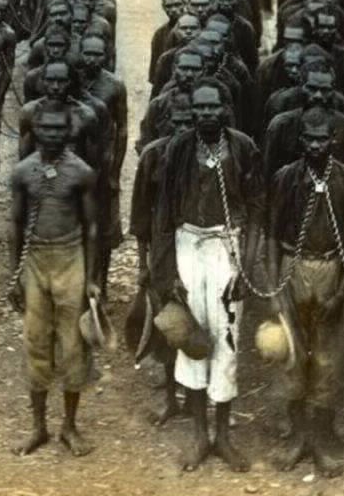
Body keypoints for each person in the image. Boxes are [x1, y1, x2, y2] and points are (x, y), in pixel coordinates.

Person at [155, 79, 264, 472]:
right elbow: (164, 216)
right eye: (198, 108)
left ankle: (224, 437)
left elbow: (254, 211)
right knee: (192, 337)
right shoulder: (179, 149)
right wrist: (167, 274)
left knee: (227, 340)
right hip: (188, 247)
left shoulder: (243, 148)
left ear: (225, 109)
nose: (204, 115)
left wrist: (244, 269)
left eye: (211, 108)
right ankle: (199, 436)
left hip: (226, 249)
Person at [267, 106, 344, 477]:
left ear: (334, 140)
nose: (315, 145)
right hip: (295, 266)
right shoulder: (285, 178)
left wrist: (342, 289)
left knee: (328, 359)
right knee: (293, 355)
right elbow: (274, 237)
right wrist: (276, 288)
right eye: (309, 139)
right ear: (300, 141)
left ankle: (321, 441)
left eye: (322, 138)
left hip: (331, 268)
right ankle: (299, 438)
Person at [8, 104, 100, 457]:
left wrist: (92, 277)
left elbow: (91, 227)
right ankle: (38, 427)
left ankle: (70, 427)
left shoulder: (81, 173)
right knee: (36, 341)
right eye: (45, 128)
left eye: (59, 129)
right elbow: (15, 225)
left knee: (74, 343)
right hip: (34, 260)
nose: (52, 135)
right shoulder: (22, 172)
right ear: (34, 131)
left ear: (68, 131)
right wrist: (14, 274)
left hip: (70, 258)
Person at [129, 91, 194, 424]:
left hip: (197, 245)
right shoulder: (153, 156)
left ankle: (196, 394)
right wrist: (143, 263)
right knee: (168, 319)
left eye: (188, 122)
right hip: (163, 247)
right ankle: (170, 396)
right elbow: (141, 215)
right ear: (166, 124)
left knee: (199, 318)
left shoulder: (202, 154)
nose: (182, 128)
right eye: (176, 122)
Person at [79, 34, 128, 295]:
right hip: (77, 163)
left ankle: (103, 281)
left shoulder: (114, 86)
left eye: (97, 54)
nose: (91, 59)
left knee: (103, 226)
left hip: (103, 165)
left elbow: (122, 130)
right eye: (87, 53)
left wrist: (115, 170)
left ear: (106, 56)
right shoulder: (72, 83)